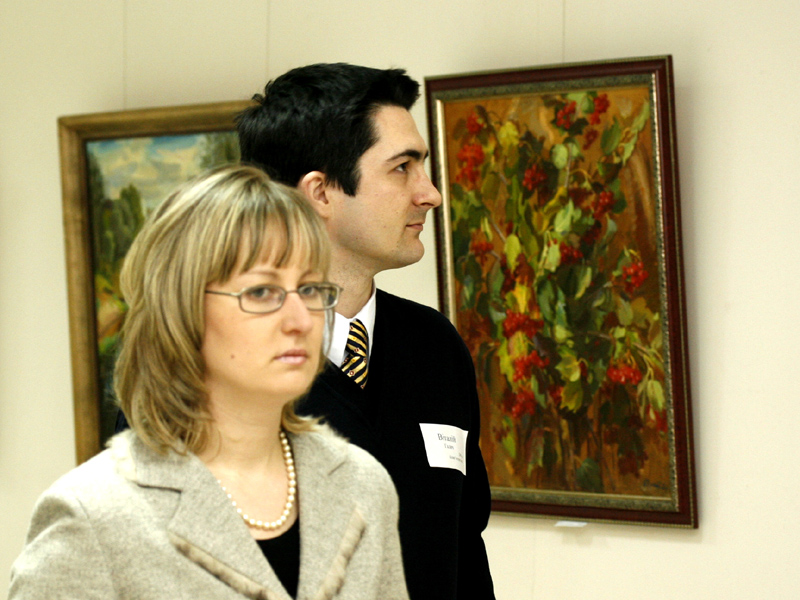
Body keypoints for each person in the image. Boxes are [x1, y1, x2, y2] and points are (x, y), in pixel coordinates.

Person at [10, 165, 409, 600]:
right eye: (262, 292)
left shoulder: (363, 486)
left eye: (311, 289)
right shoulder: (93, 516)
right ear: (181, 307)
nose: (301, 320)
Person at [237, 63, 495, 600]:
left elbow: (464, 549)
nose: (430, 194)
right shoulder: (210, 362)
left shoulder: (435, 347)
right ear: (321, 192)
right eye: (402, 168)